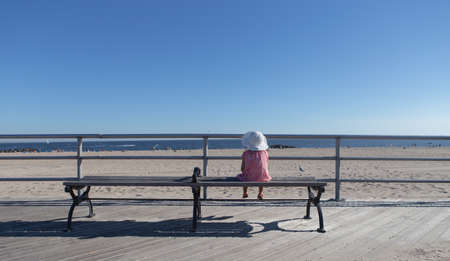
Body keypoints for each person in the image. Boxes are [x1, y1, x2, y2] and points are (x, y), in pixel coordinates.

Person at [236, 131, 271, 200]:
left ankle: (245, 192)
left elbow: (243, 167)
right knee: (261, 176)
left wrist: (244, 170)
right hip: (262, 176)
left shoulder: (246, 153)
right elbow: (266, 164)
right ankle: (260, 193)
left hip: (249, 177)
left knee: (244, 176)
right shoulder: (265, 152)